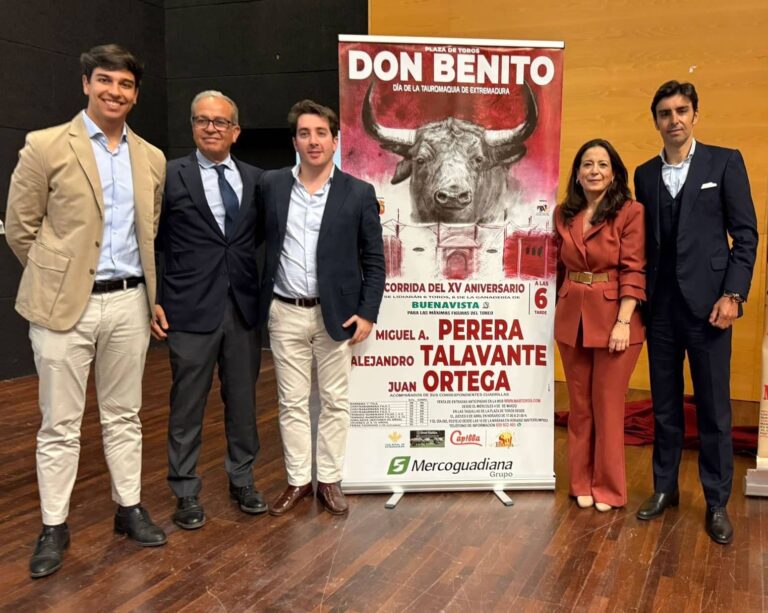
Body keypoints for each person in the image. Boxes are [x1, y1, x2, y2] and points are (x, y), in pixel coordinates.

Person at [4, 44, 167, 578]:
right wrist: (59, 279)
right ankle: (54, 525)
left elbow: (149, 230)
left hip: (129, 303)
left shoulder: (151, 157)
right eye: (105, 80)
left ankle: (129, 508)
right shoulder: (46, 145)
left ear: (135, 94)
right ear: (86, 83)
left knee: (124, 415)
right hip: (63, 309)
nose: (114, 92)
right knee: (59, 424)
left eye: (125, 84)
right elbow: (21, 226)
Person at [634, 81, 758, 544]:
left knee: (714, 410)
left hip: (711, 309)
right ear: (656, 121)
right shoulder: (645, 175)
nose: (674, 120)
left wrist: (734, 295)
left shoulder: (724, 162)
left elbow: (745, 236)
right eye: (665, 113)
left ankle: (716, 501)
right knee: (665, 406)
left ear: (695, 115)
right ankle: (665, 488)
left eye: (682, 111)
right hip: (660, 310)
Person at [259, 99, 385, 516]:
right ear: (294, 141)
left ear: (335, 140)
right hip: (285, 312)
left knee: (334, 402)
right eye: (304, 133)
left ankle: (329, 480)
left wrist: (367, 312)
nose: (313, 141)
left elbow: (374, 259)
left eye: (320, 133)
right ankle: (298, 481)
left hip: (338, 314)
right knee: (291, 402)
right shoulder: (272, 185)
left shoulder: (359, 193)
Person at [151, 91, 265, 529]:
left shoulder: (257, 180)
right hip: (188, 309)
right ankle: (185, 491)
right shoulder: (168, 175)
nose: (211, 128)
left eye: (220, 122)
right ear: (193, 126)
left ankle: (243, 479)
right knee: (186, 405)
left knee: (243, 403)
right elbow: (152, 240)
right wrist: (155, 296)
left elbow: (251, 238)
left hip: (242, 309)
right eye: (202, 120)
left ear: (235, 131)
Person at [554, 139, 646, 512]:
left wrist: (624, 321)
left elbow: (634, 269)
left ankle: (608, 487)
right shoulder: (563, 214)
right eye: (587, 164)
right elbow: (558, 267)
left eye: (602, 164)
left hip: (615, 320)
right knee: (579, 406)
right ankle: (580, 482)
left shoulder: (630, 212)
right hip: (571, 318)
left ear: (614, 174)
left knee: (607, 405)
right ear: (577, 174)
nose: (594, 170)